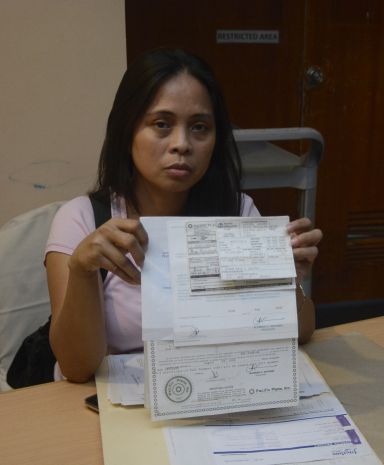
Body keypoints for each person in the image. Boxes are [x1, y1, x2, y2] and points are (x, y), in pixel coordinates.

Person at [45, 48, 323, 383]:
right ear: (128, 129)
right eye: (161, 124)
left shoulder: (238, 213)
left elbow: (302, 332)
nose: (182, 144)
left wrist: (285, 280)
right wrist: (81, 271)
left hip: (215, 392)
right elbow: (77, 368)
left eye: (200, 127)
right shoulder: (82, 219)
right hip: (112, 404)